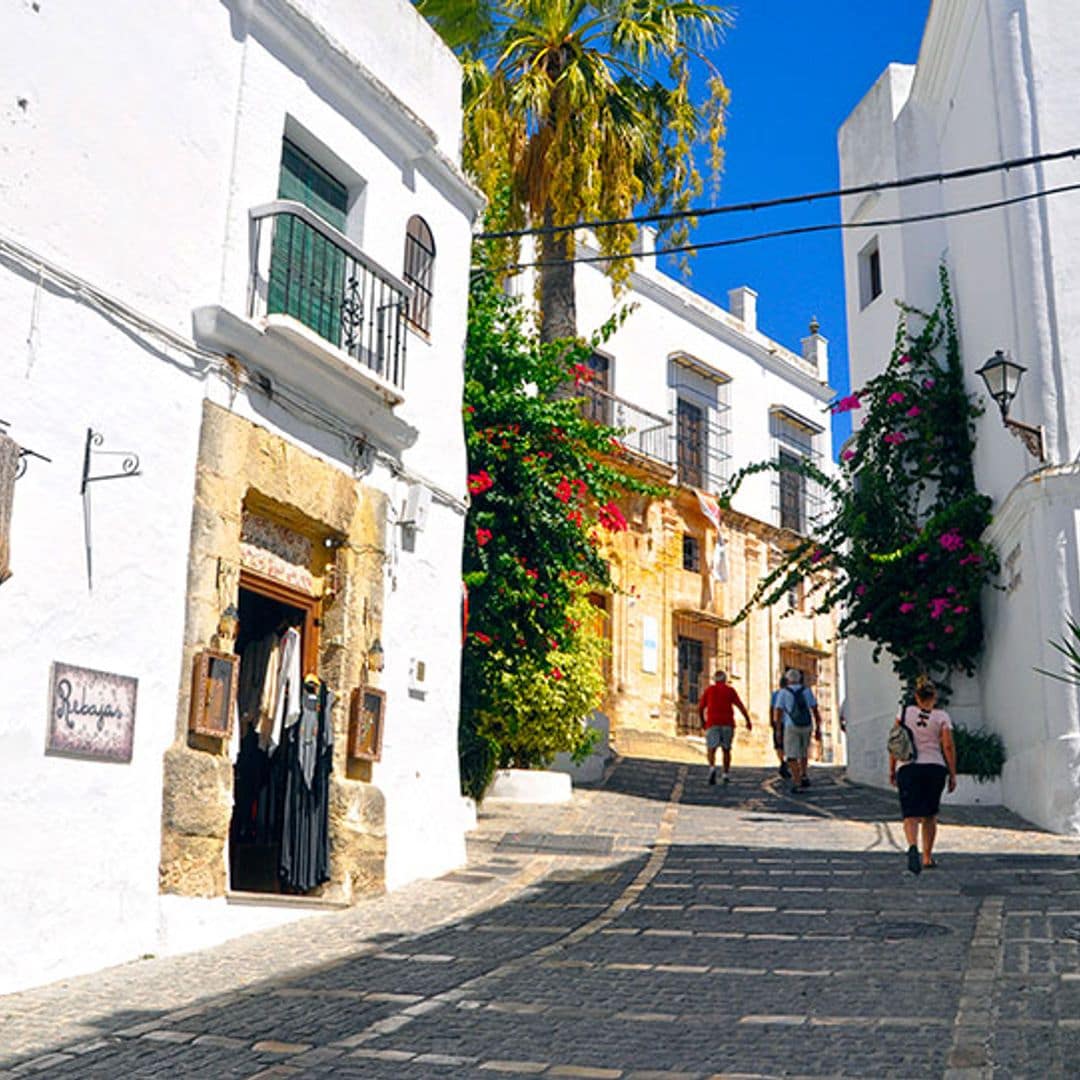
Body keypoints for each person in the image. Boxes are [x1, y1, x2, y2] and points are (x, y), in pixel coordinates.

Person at [889, 675, 957, 874]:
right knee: (929, 815)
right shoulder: (942, 717)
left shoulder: (903, 713)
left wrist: (892, 769)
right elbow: (948, 745)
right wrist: (952, 773)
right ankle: (927, 857)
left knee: (910, 814)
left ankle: (912, 846)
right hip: (934, 767)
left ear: (916, 697)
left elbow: (895, 742)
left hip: (908, 768)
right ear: (934, 697)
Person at [773, 668, 822, 794]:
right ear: (799, 679)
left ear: (788, 680)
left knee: (791, 755)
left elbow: (778, 712)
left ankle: (797, 781)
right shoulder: (807, 691)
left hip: (791, 726)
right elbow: (815, 709)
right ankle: (804, 774)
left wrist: (778, 730)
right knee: (803, 752)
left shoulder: (783, 693)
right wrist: (818, 728)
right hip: (807, 725)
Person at [697, 670, 752, 785]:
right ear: (725, 679)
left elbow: (701, 707)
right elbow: (740, 705)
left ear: (714, 679)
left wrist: (703, 721)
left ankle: (712, 768)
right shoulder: (730, 691)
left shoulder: (709, 690)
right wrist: (747, 720)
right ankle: (725, 774)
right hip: (727, 723)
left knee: (711, 748)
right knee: (726, 749)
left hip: (712, 722)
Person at [770, 676, 790, 779]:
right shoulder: (790, 694)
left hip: (778, 722)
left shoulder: (775, 694)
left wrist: (772, 721)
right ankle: (787, 762)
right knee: (787, 744)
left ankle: (782, 761)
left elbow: (772, 708)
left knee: (779, 744)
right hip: (789, 722)